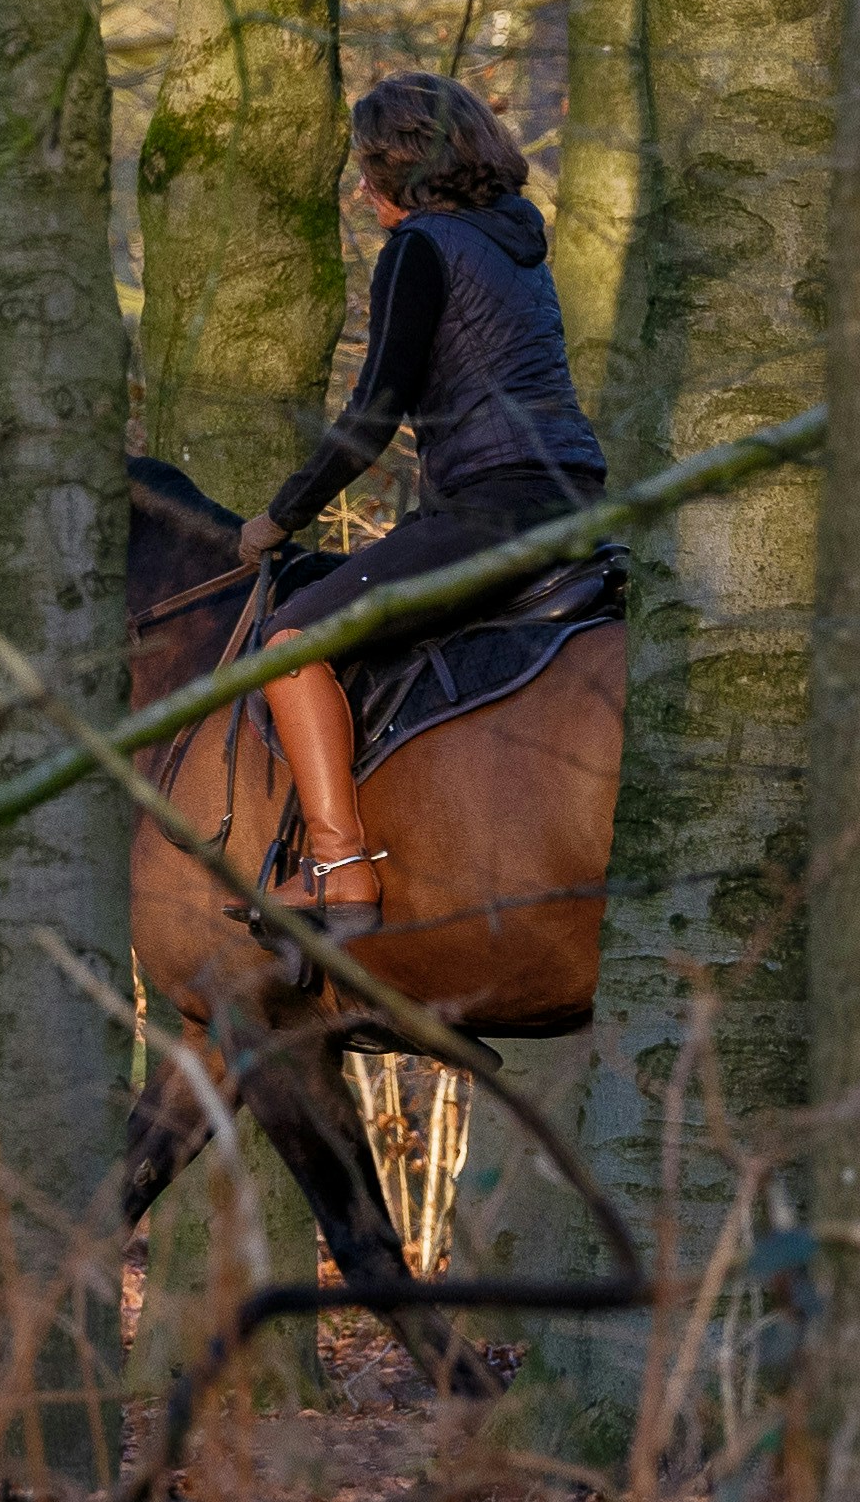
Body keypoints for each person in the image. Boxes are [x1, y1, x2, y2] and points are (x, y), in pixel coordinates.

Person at [249, 71, 605, 917]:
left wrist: (279, 517)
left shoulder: (420, 249)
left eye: (367, 168)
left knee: (287, 641)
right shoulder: (514, 242)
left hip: (493, 508)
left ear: (400, 169)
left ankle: (339, 867)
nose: (359, 189)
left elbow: (373, 413)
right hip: (578, 498)